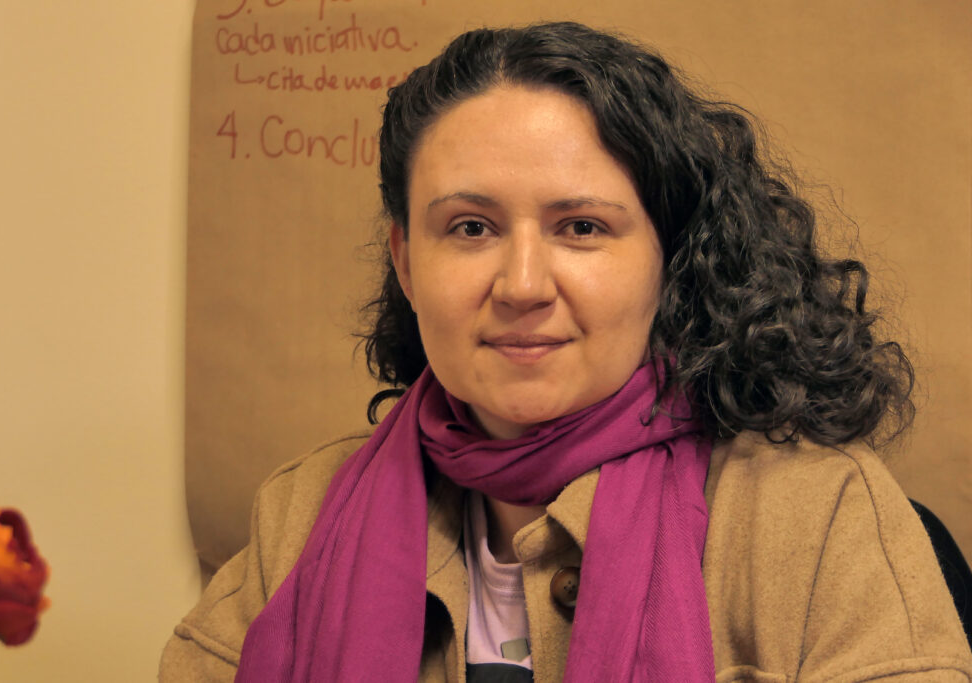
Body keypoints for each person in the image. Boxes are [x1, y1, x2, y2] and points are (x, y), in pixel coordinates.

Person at [160, 22, 972, 682]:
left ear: (667, 258)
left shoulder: (821, 515)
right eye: (470, 227)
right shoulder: (296, 515)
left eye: (581, 227)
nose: (521, 284)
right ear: (406, 262)